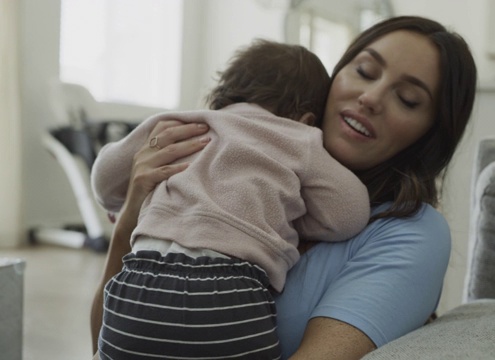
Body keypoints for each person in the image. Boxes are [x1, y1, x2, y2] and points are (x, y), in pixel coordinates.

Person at [90, 15, 477, 359]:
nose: (371, 98)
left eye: (408, 99)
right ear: (333, 77)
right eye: (364, 71)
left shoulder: (411, 233)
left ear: (430, 136)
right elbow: (103, 343)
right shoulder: (201, 164)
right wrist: (130, 219)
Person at [90, 39, 370, 359]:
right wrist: (290, 216)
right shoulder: (300, 138)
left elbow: (103, 179)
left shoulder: (178, 124)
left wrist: (121, 202)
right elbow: (351, 212)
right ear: (307, 119)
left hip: (139, 290)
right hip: (229, 296)